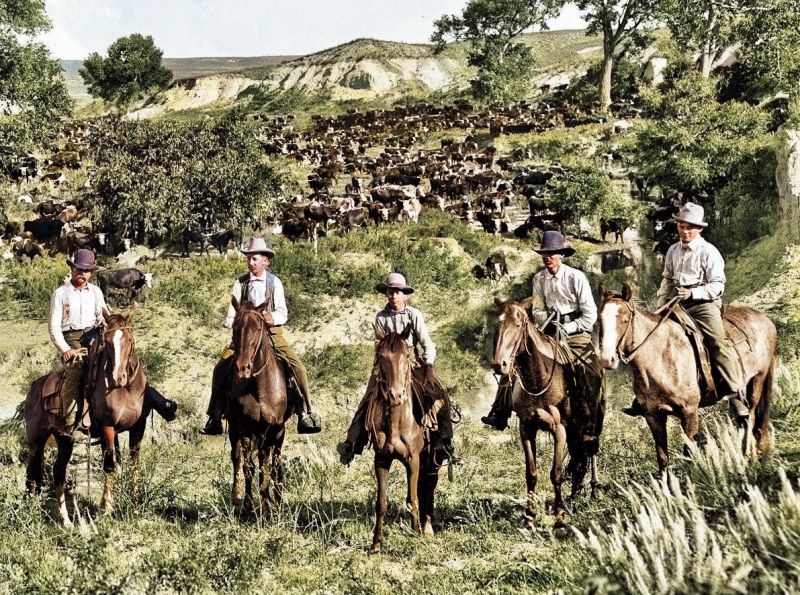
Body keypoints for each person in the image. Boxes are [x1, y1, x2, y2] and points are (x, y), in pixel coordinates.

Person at [623, 202, 748, 420]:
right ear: (677, 226)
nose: (685, 231)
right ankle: (646, 393)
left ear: (699, 229)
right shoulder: (672, 250)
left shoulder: (709, 252)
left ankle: (734, 391)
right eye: (682, 226)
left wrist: (694, 293)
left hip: (704, 305)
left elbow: (718, 285)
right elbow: (668, 280)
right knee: (651, 338)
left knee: (716, 342)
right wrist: (658, 309)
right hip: (676, 304)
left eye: (690, 227)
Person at [481, 231, 604, 446]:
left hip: (575, 334)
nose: (548, 257)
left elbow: (590, 314)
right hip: (547, 332)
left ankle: (589, 423)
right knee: (514, 360)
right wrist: (545, 322)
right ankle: (500, 409)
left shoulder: (576, 278)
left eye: (553, 253)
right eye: (545, 254)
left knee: (589, 370)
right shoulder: (539, 279)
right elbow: (537, 310)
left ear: (562, 255)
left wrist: (568, 326)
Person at [200, 237, 322, 435]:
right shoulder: (240, 284)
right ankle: (214, 415)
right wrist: (237, 322)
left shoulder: (275, 283)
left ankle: (305, 412)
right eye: (248, 258)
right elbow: (230, 315)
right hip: (244, 337)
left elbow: (283, 312)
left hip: (272, 334)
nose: (250, 262)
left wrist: (269, 317)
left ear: (266, 261)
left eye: (254, 259)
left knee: (297, 366)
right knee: (220, 367)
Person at [49, 249, 177, 433]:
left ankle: (158, 402)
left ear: (91, 273)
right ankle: (70, 422)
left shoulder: (95, 292)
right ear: (72, 269)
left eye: (85, 271)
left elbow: (105, 315)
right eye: (78, 270)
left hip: (97, 335)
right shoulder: (61, 294)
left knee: (125, 363)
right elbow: (54, 327)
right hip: (73, 340)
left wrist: (114, 326)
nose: (81, 274)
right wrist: (65, 349)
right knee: (76, 371)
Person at [336, 272, 454, 464]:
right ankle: (353, 441)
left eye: (398, 292)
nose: (394, 296)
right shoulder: (380, 317)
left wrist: (429, 367)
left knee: (438, 393)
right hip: (385, 367)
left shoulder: (413, 315)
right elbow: (380, 346)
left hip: (412, 363)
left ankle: (445, 441)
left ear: (404, 294)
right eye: (391, 292)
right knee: (367, 399)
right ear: (387, 294)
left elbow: (427, 344)